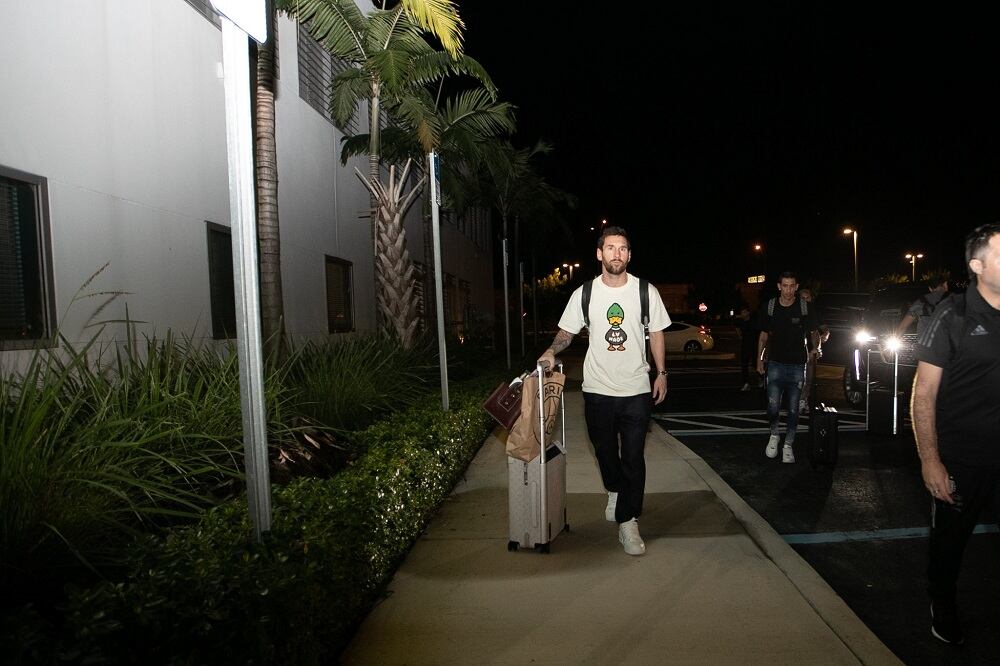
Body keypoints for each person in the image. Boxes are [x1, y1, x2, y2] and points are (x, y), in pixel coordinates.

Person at [537, 226, 670, 556]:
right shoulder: (585, 293)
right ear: (599, 254)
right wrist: (552, 351)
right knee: (605, 452)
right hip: (597, 389)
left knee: (634, 457)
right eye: (610, 248)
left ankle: (628, 520)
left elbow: (656, 334)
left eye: (623, 248)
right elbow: (566, 332)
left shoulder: (645, 291)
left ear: (629, 255)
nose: (616, 253)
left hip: (637, 388)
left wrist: (662, 373)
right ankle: (614, 489)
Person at [911, 222, 1000, 645]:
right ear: (977, 265)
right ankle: (942, 603)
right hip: (963, 458)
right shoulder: (953, 314)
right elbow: (923, 392)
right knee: (950, 545)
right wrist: (931, 459)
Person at [755, 271, 820, 463]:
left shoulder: (804, 307)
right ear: (779, 286)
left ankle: (788, 445)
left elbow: (814, 331)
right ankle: (774, 434)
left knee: (793, 409)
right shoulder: (770, 306)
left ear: (796, 287)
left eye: (792, 286)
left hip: (797, 366)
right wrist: (759, 360)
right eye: (785, 285)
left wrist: (815, 347)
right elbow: (763, 336)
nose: (788, 290)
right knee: (773, 407)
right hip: (775, 364)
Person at [796, 288, 829, 413]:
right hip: (796, 348)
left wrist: (823, 338)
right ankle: (797, 400)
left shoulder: (815, 312)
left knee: (809, 377)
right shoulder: (795, 311)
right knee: (798, 377)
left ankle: (803, 400)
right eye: (802, 298)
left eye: (807, 298)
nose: (805, 300)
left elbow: (822, 329)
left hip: (811, 347)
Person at [734, 305, 758, 391]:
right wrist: (740, 335)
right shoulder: (741, 322)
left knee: (756, 364)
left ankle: (761, 379)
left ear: (748, 312)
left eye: (744, 312)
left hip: (754, 346)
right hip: (745, 346)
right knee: (744, 365)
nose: (743, 314)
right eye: (742, 312)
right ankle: (746, 383)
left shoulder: (753, 321)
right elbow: (736, 327)